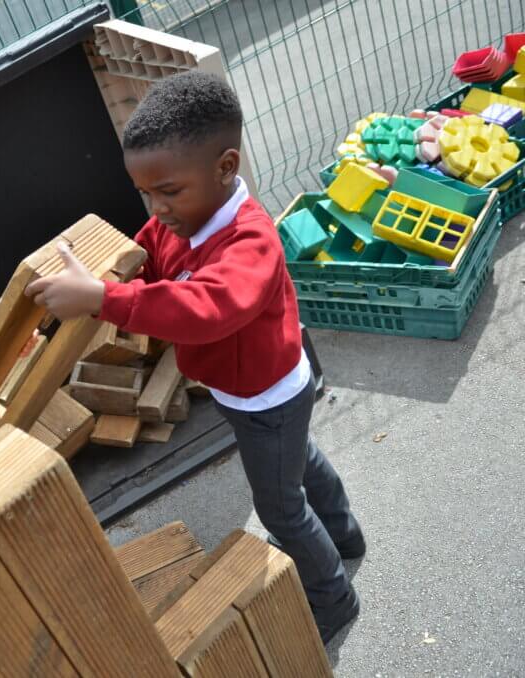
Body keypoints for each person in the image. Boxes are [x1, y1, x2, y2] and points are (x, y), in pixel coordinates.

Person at [24, 71, 363, 644]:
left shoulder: (249, 241)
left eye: (169, 191)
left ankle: (333, 600)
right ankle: (346, 537)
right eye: (145, 193)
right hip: (249, 390)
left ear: (226, 167)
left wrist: (105, 299)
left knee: (280, 507)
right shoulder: (180, 222)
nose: (156, 209)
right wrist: (113, 270)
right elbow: (152, 253)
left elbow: (206, 308)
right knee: (300, 460)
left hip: (268, 394)